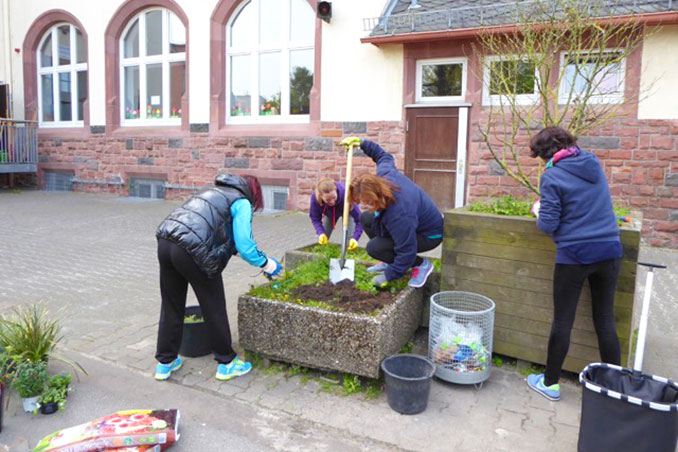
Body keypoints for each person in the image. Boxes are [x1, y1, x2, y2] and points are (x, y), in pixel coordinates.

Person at [154, 174, 283, 382]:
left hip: (166, 242)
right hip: (194, 250)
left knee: (171, 304)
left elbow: (228, 241)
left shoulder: (211, 191)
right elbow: (245, 245)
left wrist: (261, 260)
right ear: (254, 193)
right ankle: (227, 363)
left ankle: (165, 363)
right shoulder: (241, 202)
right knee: (213, 306)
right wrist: (268, 264)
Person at [526, 126, 623, 401]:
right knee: (605, 320)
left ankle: (550, 384)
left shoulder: (553, 177)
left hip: (575, 255)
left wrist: (538, 209)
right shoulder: (593, 162)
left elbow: (548, 224)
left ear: (546, 154)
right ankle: (614, 389)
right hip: (609, 250)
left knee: (563, 322)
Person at [340, 136, 443, 288]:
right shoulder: (385, 175)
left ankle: (421, 265)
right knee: (366, 218)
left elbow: (407, 249)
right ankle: (389, 258)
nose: (363, 204)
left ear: (376, 195)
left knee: (374, 248)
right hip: (413, 224)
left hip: (429, 235)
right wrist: (362, 143)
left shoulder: (399, 213)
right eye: (360, 200)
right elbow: (382, 156)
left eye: (367, 201)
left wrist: (389, 275)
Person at [309, 178, 363, 249]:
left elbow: (360, 220)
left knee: (349, 242)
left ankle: (348, 256)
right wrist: (320, 233)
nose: (332, 202)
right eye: (328, 200)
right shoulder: (315, 198)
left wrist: (355, 238)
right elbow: (315, 218)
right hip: (330, 212)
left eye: (334, 198)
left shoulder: (346, 195)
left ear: (336, 191)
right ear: (321, 196)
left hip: (348, 209)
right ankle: (321, 257)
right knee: (321, 239)